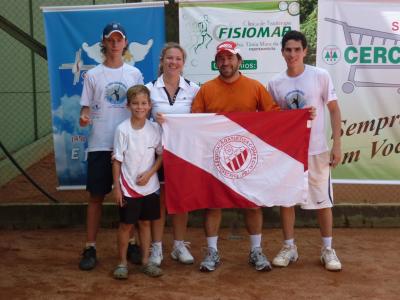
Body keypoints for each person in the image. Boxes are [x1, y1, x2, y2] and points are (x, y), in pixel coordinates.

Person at [191, 41, 280, 272]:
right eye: (221, 58)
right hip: (215, 158)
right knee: (213, 205)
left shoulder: (255, 87)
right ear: (216, 62)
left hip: (248, 157)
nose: (225, 62)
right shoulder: (206, 89)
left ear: (239, 61)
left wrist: (302, 116)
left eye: (230, 58)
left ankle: (256, 251)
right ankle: (212, 253)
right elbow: (193, 122)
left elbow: (275, 117)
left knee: (252, 204)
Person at [267, 30, 342, 271]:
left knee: (323, 203)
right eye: (288, 50)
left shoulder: (320, 76)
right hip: (289, 153)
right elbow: (274, 119)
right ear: (282, 52)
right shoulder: (275, 83)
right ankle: (289, 247)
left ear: (305, 51)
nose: (292, 54)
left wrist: (337, 144)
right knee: (287, 201)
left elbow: (334, 110)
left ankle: (327, 249)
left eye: (297, 49)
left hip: (317, 150)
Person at [78, 22, 144, 271]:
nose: (115, 43)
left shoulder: (134, 74)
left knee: (131, 198)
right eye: (111, 39)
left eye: (120, 39)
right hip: (100, 144)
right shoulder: (93, 75)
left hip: (129, 146)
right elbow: (85, 110)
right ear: (103, 43)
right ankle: (90, 247)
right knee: (96, 197)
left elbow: (141, 107)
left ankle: (134, 243)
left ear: (125, 43)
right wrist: (84, 118)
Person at [145, 42, 200, 266]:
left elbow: (201, 121)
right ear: (162, 61)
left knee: (180, 200)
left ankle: (179, 245)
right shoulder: (148, 89)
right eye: (169, 58)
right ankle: (156, 247)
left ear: (183, 63)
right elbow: (139, 119)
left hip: (183, 154)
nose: (173, 62)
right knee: (159, 201)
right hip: (155, 154)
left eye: (178, 59)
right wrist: (152, 121)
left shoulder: (194, 89)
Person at [112, 85, 163, 279]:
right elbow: (117, 160)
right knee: (126, 225)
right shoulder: (122, 130)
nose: (139, 107)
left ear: (150, 106)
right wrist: (117, 187)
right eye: (135, 103)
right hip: (128, 189)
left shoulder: (155, 129)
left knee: (145, 224)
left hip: (150, 188)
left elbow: (161, 156)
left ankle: (145, 262)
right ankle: (122, 263)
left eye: (143, 103)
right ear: (128, 106)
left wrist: (150, 174)